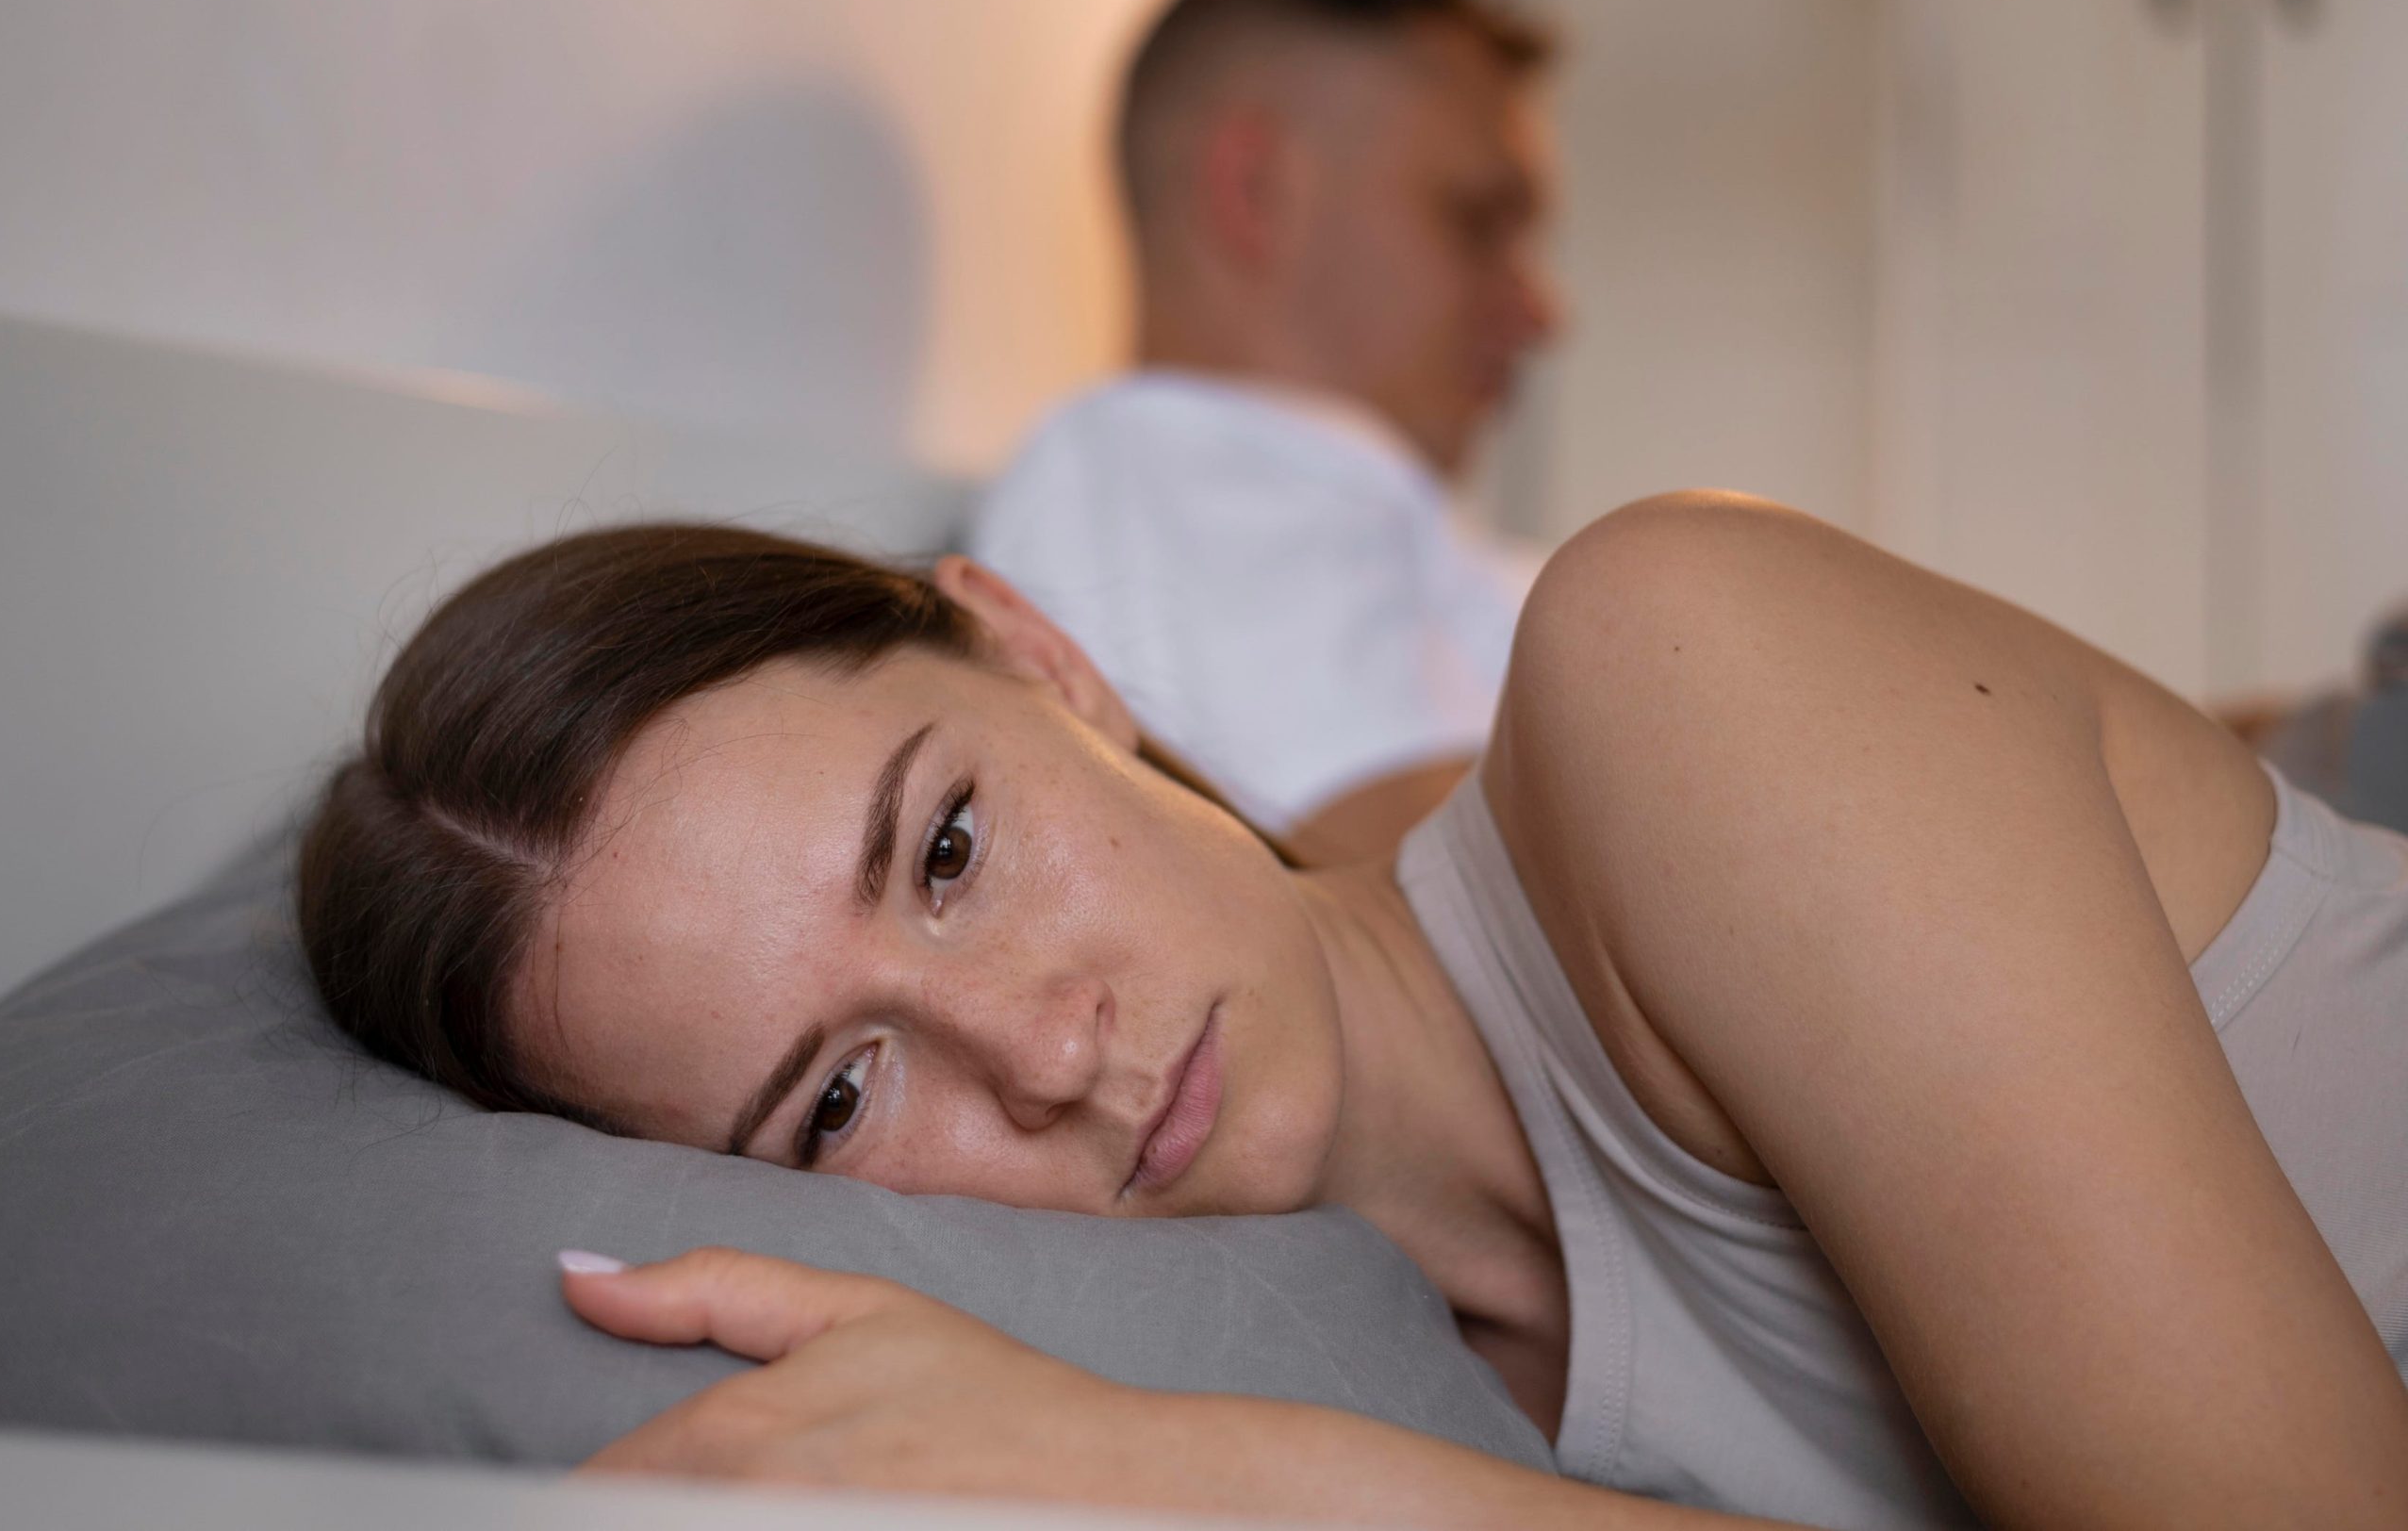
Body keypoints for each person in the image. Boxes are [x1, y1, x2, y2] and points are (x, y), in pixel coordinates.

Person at [299, 499, 2408, 1530]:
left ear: (1042, 658)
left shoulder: (1674, 663)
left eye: (946, 846)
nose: (1043, 1051)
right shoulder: (1405, 1261)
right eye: (839, 1093)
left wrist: (1261, 1475)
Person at [968, 0, 1560, 864]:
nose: (1541, 312)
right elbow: (1426, 914)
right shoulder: (1160, 467)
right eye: (1477, 221)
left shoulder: (1319, 502)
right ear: (1253, 190)